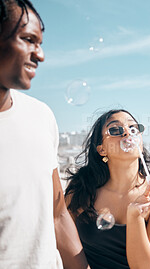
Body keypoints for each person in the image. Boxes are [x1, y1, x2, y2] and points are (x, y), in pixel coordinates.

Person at [0, 1, 88, 268]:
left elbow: (58, 213)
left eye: (39, 43)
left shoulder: (41, 115)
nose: (40, 55)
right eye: (28, 39)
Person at [64, 109, 150, 269]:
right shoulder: (81, 189)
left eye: (133, 128)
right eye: (115, 130)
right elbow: (63, 241)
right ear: (102, 149)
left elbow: (142, 266)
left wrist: (135, 216)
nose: (127, 133)